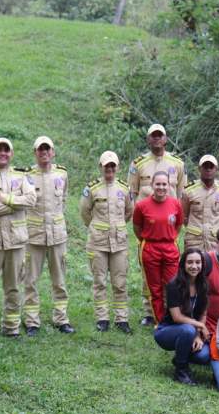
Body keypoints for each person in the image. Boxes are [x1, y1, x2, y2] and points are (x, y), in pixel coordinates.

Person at [0, 137, 36, 338]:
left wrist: (3, 198)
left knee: (13, 287)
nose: (2, 153)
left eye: (6, 150)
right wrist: (13, 205)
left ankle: (11, 328)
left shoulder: (22, 177)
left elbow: (31, 200)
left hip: (16, 242)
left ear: (11, 153)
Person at [129, 123, 186, 326]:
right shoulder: (138, 164)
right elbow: (132, 193)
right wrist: (145, 235)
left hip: (168, 233)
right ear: (148, 139)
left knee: (171, 281)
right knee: (150, 281)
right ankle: (150, 313)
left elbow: (180, 195)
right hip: (149, 233)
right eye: (152, 136)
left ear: (165, 138)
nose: (156, 139)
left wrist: (170, 233)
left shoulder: (177, 164)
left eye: (159, 135)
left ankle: (171, 314)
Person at [23, 136, 74, 335]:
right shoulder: (26, 177)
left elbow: (64, 200)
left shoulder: (62, 174)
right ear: (35, 153)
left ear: (53, 152)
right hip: (33, 237)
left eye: (47, 149)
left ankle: (61, 319)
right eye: (40, 150)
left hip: (57, 236)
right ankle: (32, 321)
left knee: (59, 280)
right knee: (30, 280)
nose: (44, 153)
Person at [79, 151, 133, 334]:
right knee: (99, 281)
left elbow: (128, 212)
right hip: (98, 242)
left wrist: (117, 227)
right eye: (106, 166)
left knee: (120, 282)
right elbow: (85, 212)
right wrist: (96, 228)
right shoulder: (92, 189)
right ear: (100, 167)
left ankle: (122, 318)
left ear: (117, 167)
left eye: (112, 166)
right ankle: (102, 318)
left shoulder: (124, 189)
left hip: (119, 242)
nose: (109, 169)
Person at [154, 249, 211, 385]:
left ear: (202, 265)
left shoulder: (203, 284)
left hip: (191, 331)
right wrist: (200, 326)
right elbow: (177, 317)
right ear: (183, 265)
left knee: (204, 356)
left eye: (198, 262)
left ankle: (180, 356)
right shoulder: (174, 285)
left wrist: (197, 335)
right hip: (166, 331)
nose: (194, 266)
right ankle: (181, 370)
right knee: (187, 330)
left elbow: (203, 313)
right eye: (190, 262)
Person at [133, 171, 184, 324]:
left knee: (172, 286)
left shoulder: (175, 204)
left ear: (169, 186)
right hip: (150, 249)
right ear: (152, 185)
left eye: (164, 184)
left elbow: (179, 225)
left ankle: (173, 318)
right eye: (158, 184)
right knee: (154, 288)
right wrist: (148, 239)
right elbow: (137, 228)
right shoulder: (141, 205)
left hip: (170, 248)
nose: (161, 187)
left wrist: (168, 237)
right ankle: (160, 322)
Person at [181, 154, 219, 252]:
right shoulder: (189, 191)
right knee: (193, 266)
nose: (208, 170)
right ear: (199, 169)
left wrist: (217, 229)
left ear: (216, 169)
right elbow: (184, 216)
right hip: (194, 241)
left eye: (211, 167)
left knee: (215, 266)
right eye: (205, 167)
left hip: (215, 241)